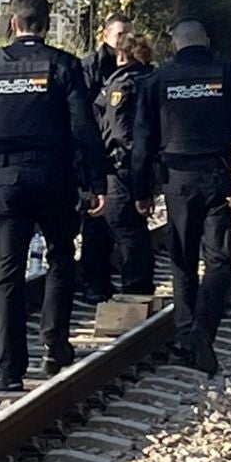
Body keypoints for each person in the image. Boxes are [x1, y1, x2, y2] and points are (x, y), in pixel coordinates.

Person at [0, 0, 103, 391]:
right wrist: (94, 181)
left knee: (7, 273)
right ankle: (54, 345)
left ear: (13, 24)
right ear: (45, 24)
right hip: (55, 177)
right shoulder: (64, 65)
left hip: (7, 179)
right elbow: (83, 128)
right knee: (61, 257)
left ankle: (9, 372)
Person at [129, 19, 231, 377]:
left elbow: (142, 139)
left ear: (174, 44)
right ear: (205, 40)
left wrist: (141, 189)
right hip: (219, 176)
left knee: (182, 259)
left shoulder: (156, 80)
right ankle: (202, 332)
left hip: (176, 180)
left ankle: (186, 332)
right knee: (220, 259)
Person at [96, 32, 156, 298]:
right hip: (142, 166)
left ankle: (134, 290)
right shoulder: (152, 78)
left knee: (125, 228)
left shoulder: (122, 84)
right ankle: (134, 287)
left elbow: (119, 132)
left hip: (120, 168)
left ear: (121, 54)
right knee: (135, 230)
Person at [78, 13, 132, 304]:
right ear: (105, 35)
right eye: (119, 34)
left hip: (123, 157)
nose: (124, 40)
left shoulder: (134, 69)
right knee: (95, 222)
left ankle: (120, 280)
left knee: (124, 223)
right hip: (94, 154)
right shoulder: (89, 68)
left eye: (128, 35)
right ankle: (93, 282)